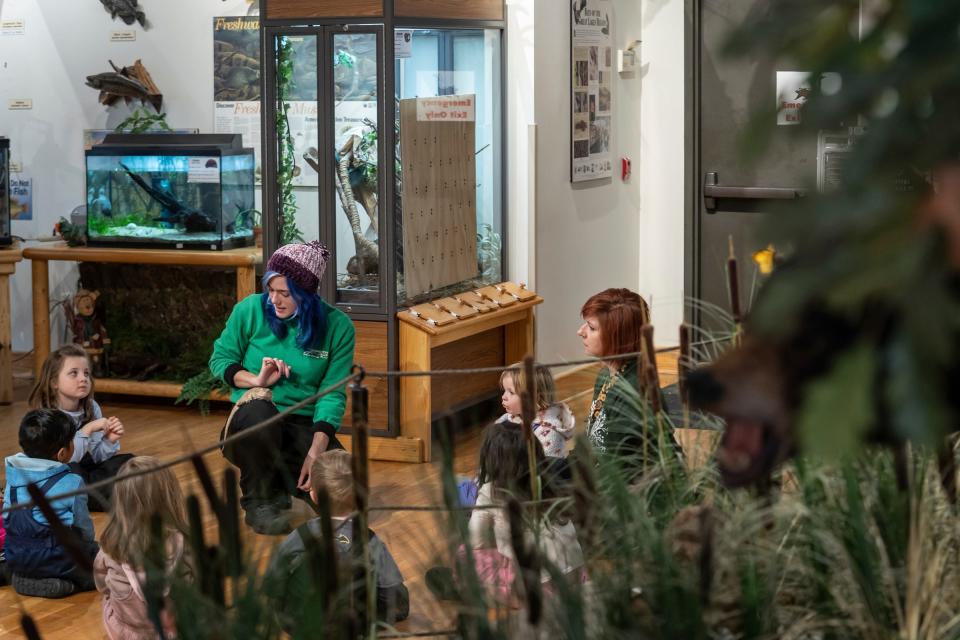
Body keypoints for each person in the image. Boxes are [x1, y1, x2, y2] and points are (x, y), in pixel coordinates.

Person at [210, 241, 356, 535]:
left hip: (303, 422)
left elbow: (332, 393)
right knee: (261, 412)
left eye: (285, 293)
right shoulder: (249, 310)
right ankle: (259, 501)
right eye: (270, 290)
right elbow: (220, 360)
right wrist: (256, 381)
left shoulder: (338, 327)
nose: (274, 300)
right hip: (252, 420)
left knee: (343, 490)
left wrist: (316, 452)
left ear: (306, 294)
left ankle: (282, 482)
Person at [432, 421, 584, 605]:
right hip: (575, 579)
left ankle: (468, 590)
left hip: (537, 590)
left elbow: (475, 541)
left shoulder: (491, 492)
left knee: (465, 555)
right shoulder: (550, 483)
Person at [266, 449, 409, 630]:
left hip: (299, 623)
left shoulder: (300, 535)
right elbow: (391, 589)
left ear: (314, 496)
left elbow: (273, 582)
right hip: (354, 625)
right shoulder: (368, 539)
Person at [577, 288, 678, 471]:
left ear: (617, 336)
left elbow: (620, 474)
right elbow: (594, 448)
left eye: (591, 328)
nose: (580, 332)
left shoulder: (633, 393)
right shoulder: (605, 377)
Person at [94, 456, 193, 640]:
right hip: (173, 629)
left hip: (127, 631)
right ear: (170, 497)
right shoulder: (183, 541)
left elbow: (100, 582)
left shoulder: (111, 543)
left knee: (108, 596)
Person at [3, 409, 99, 598]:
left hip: (18, 558)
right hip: (57, 559)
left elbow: (8, 517)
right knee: (98, 568)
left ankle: (25, 579)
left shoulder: (12, 478)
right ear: (62, 453)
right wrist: (90, 548)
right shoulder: (72, 482)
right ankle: (64, 586)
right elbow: (83, 527)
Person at [30, 343, 134, 511]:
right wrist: (87, 430)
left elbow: (97, 458)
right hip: (60, 475)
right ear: (54, 382)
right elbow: (65, 461)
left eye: (86, 373)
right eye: (74, 373)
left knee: (129, 461)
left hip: (88, 474)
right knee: (72, 472)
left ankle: (109, 495)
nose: (83, 379)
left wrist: (109, 441)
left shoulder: (92, 408)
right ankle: (114, 496)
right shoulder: (48, 417)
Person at [497, 363, 575, 458]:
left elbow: (546, 468)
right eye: (504, 390)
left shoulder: (549, 434)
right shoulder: (508, 418)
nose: (503, 397)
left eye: (511, 392)